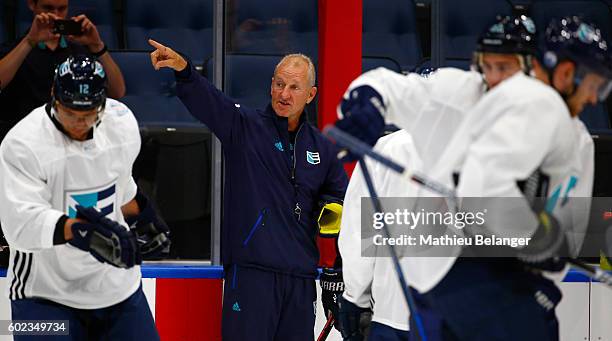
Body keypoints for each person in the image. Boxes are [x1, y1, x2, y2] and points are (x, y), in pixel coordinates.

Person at [336, 16, 610, 340]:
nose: (495, 78)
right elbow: (386, 86)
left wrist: (545, 251)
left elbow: (566, 231)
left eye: (505, 67)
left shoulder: (573, 138)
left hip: (504, 291)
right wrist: (367, 103)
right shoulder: (463, 95)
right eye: (487, 66)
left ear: (531, 68)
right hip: (438, 290)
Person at [148, 40, 348, 340]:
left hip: (301, 280)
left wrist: (331, 209)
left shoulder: (323, 148)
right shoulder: (243, 125)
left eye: (294, 87)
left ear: (311, 94)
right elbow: (209, 101)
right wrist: (185, 70)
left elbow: (340, 197)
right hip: (252, 275)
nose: (284, 94)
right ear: (270, 85)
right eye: (279, 84)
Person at [0, 55, 168, 340]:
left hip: (118, 290)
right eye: (70, 113)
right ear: (53, 95)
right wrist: (84, 234)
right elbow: (19, 228)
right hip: (44, 296)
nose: (79, 123)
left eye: (89, 114)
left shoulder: (122, 124)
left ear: (103, 103)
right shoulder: (21, 144)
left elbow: (120, 184)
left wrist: (146, 215)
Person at [0, 0, 126, 139]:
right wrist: (30, 41)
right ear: (32, 4)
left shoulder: (80, 52)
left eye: (62, 9)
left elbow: (117, 92)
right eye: (48, 8)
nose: (56, 15)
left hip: (72, 134)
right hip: (26, 135)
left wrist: (97, 45)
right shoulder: (13, 50)